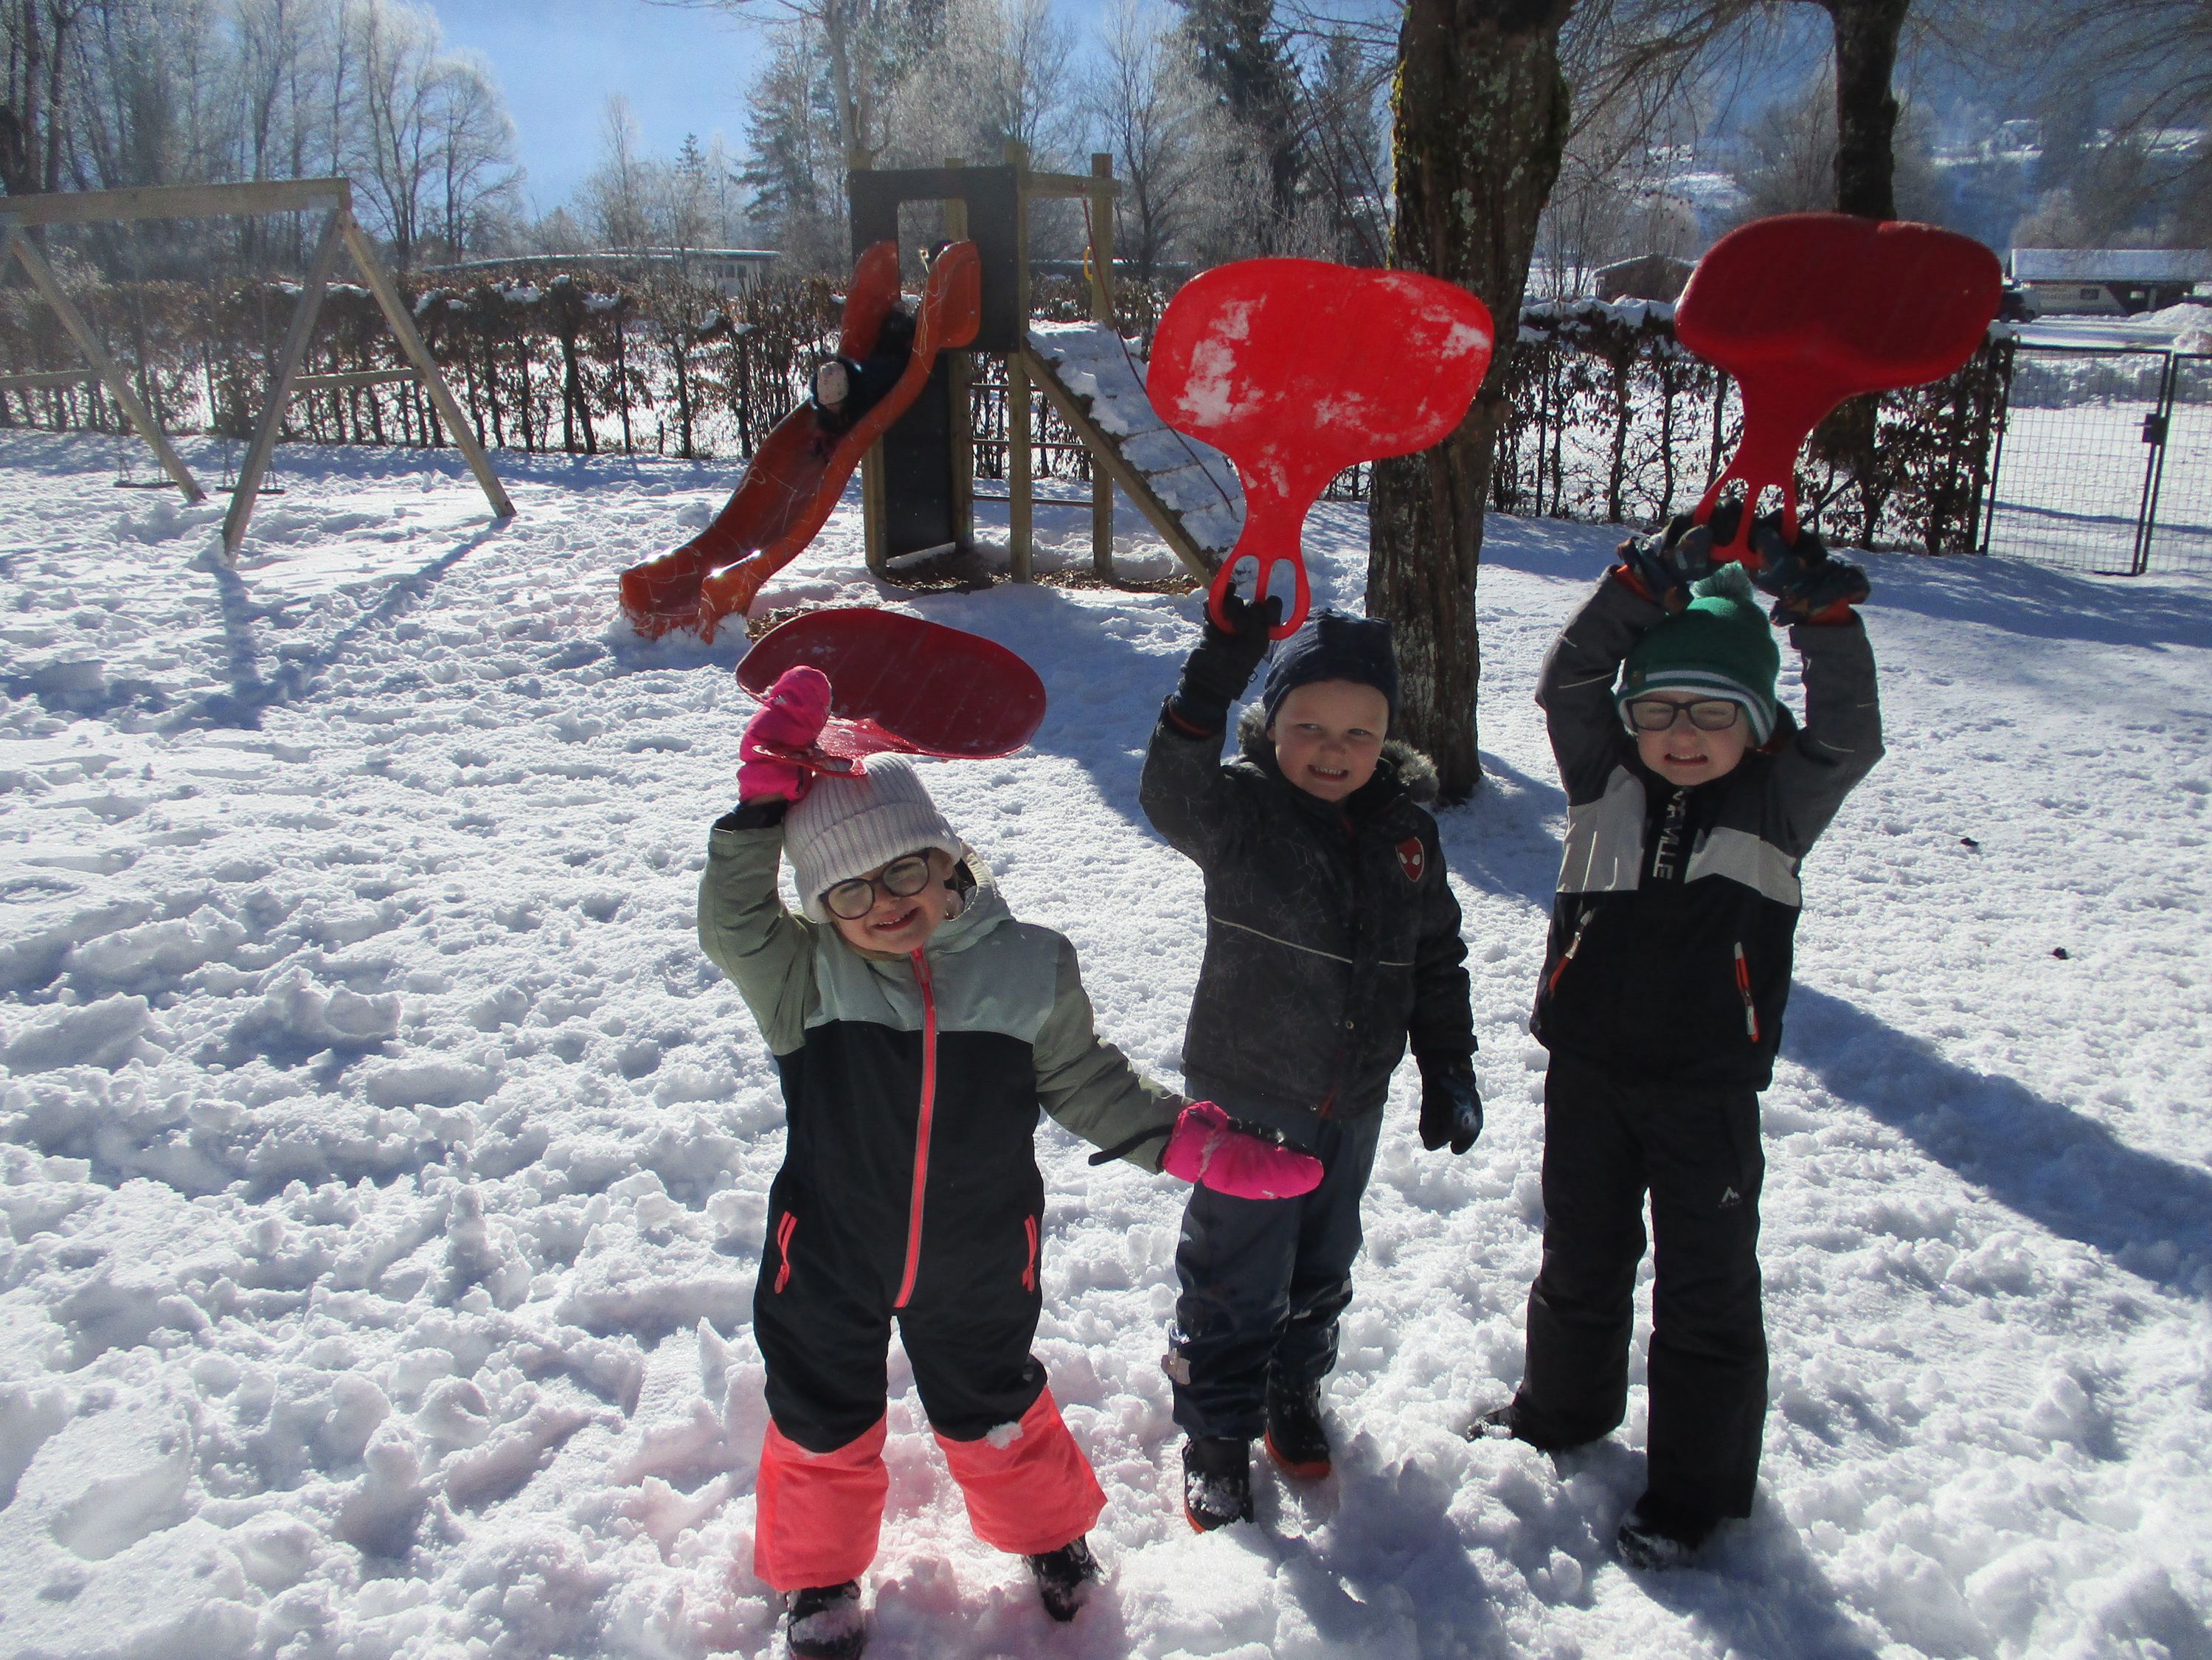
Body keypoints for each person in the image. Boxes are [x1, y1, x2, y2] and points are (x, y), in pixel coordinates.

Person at [701, 665, 1320, 1659]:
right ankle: (817, 1575)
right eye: (849, 889)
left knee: (995, 1404)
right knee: (818, 1412)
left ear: (948, 862)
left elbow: (1087, 1082)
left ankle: (1049, 1535)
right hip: (824, 1251)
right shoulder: (802, 979)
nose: (883, 901)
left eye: (905, 870)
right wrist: (758, 807)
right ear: (819, 908)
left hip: (979, 1250)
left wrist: (1194, 1142)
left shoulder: (1028, 968)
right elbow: (734, 921)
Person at [1471, 506, 1881, 1569]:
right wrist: (1644, 581)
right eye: (1656, 708)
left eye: (1711, 711)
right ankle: (1561, 1410)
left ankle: (1693, 1489)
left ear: (1755, 724)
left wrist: (1821, 620)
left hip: (1705, 1089)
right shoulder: (1601, 775)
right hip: (1589, 1071)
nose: (1681, 733)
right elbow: (1569, 680)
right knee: (1579, 1252)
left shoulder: (1776, 802)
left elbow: (1847, 733)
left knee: (1704, 1284)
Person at [1140, 601, 1480, 1530]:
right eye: (1309, 727)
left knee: (1323, 1260)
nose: (1332, 750)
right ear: (1272, 723)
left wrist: (1448, 1065)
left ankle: (1291, 1386)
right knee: (1235, 1269)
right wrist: (1213, 674)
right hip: (1248, 1091)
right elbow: (1169, 792)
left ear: (1387, 736)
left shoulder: (1407, 835)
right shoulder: (1242, 812)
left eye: (1358, 732)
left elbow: (1434, 956)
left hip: (1352, 1097)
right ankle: (1216, 1432)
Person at [810, 305, 916, 438]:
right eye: (828, 405)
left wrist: (911, 359)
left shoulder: (865, 393)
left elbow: (893, 370)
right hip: (874, 363)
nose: (831, 408)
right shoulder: (825, 408)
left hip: (885, 367)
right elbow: (825, 422)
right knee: (884, 351)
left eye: (835, 404)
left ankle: (900, 324)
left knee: (891, 349)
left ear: (845, 396)